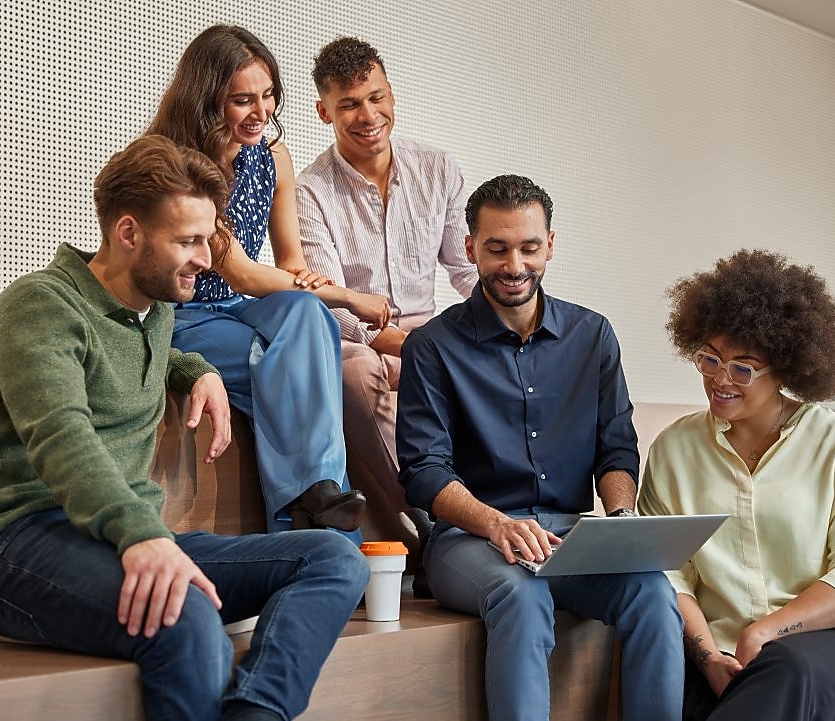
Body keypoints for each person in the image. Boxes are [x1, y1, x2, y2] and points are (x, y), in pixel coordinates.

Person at [0, 135, 369, 721]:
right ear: (128, 234)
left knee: (333, 559)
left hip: (128, 533)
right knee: (187, 610)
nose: (207, 258)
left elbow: (127, 349)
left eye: (208, 238)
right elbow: (61, 437)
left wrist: (197, 369)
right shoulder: (40, 306)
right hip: (22, 542)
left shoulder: (156, 310)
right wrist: (141, 536)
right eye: (189, 241)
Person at [396, 174, 685, 721]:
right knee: (521, 596)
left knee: (651, 590)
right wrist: (497, 524)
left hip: (570, 535)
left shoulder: (593, 335)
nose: (514, 265)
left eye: (529, 248)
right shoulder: (431, 346)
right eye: (497, 249)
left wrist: (621, 517)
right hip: (469, 539)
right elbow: (423, 471)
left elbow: (616, 449)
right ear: (470, 249)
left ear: (550, 245)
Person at [148, 25, 394, 532]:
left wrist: (314, 287)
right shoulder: (175, 162)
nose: (261, 113)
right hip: (183, 313)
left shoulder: (273, 157)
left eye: (269, 96)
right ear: (207, 100)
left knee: (308, 316)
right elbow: (239, 270)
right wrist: (348, 297)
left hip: (238, 306)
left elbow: (287, 264)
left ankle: (315, 493)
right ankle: (316, 503)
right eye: (242, 100)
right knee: (290, 363)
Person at [636, 249, 835, 721]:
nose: (719, 379)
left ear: (787, 369)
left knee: (787, 671)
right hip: (713, 655)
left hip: (829, 644)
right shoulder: (673, 450)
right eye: (709, 359)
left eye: (743, 367)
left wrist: (765, 632)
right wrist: (709, 655)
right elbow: (669, 573)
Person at [296, 36, 478, 551]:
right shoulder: (310, 190)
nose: (367, 114)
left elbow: (466, 272)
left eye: (376, 97)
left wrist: (494, 325)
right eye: (349, 104)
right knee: (352, 365)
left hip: (429, 329)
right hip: (359, 340)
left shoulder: (438, 167)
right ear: (323, 111)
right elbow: (327, 300)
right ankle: (437, 513)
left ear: (391, 93)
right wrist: (392, 343)